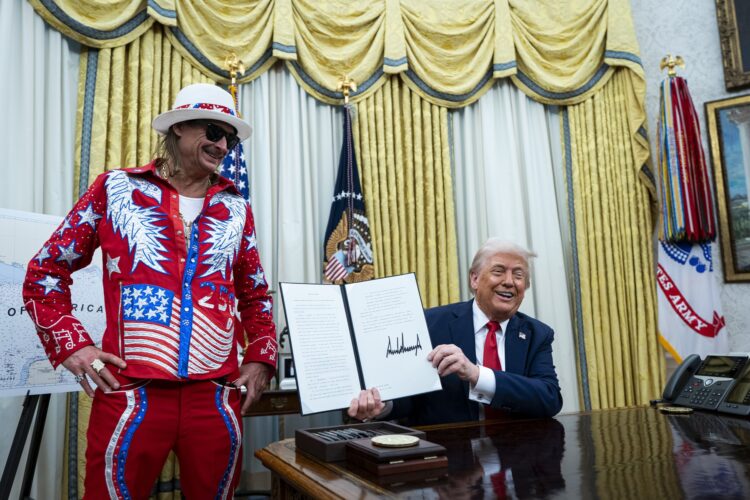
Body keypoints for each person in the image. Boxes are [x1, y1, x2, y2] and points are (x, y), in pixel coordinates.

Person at [22, 83, 277, 498]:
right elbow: (45, 271)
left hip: (215, 395)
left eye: (229, 139)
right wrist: (74, 347)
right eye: (214, 132)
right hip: (130, 393)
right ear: (179, 128)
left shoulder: (236, 207)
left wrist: (261, 357)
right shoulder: (116, 189)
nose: (222, 146)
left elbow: (254, 295)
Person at [348, 238, 562, 425]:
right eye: (498, 271)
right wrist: (382, 405)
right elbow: (409, 399)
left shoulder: (538, 334)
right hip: (449, 451)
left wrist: (477, 375)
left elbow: (549, 398)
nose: (508, 282)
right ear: (475, 279)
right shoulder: (430, 324)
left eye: (518, 275)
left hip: (518, 452)